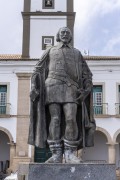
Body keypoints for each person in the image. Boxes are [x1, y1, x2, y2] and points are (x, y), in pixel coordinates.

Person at [28, 27, 96, 163]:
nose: (65, 34)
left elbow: (87, 74)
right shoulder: (50, 50)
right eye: (62, 32)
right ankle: (56, 154)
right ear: (58, 35)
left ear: (70, 37)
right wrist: (35, 86)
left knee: (71, 118)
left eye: (67, 32)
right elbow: (37, 69)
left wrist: (87, 89)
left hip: (72, 89)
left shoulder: (77, 53)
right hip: (52, 86)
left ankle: (70, 153)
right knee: (55, 119)